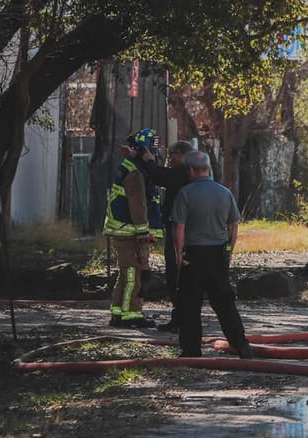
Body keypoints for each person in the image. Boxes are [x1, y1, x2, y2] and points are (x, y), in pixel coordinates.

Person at [172, 150, 253, 359]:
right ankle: (241, 344)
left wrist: (179, 255)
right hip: (218, 253)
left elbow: (179, 228)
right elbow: (233, 225)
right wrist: (229, 251)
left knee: (190, 304)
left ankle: (191, 350)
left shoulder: (185, 194)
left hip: (194, 254)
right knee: (224, 302)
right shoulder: (224, 193)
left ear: (190, 170)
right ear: (207, 168)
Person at [102, 128, 162, 328]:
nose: (153, 154)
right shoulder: (135, 172)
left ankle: (118, 312)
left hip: (126, 231)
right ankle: (131, 315)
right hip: (131, 232)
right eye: (151, 150)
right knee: (133, 274)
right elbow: (138, 204)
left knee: (126, 273)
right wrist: (143, 232)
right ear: (141, 149)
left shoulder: (132, 167)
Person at [137, 140, 195, 333]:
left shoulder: (184, 171)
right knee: (174, 273)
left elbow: (161, 176)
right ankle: (179, 317)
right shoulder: (184, 172)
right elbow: (162, 175)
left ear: (183, 156)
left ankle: (182, 319)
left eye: (173, 155)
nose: (170, 158)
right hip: (177, 226)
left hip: (179, 228)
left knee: (176, 273)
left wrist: (149, 161)